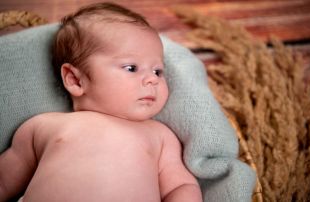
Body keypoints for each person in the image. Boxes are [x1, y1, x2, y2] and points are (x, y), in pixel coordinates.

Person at [0, 2, 202, 202]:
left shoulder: (159, 135)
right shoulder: (43, 126)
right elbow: (4, 181)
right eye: (131, 68)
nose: (153, 79)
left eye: (158, 70)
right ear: (75, 79)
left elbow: (181, 186)